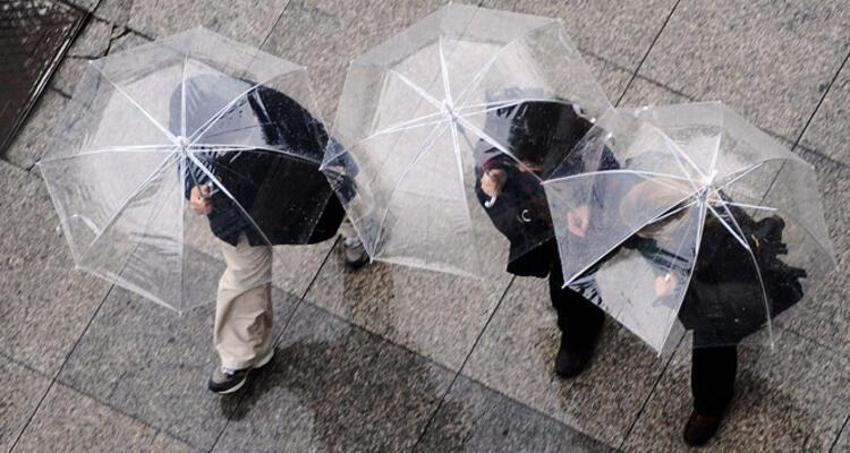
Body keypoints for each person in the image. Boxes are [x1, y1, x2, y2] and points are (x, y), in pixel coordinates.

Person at [177, 75, 346, 394]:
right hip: (233, 211)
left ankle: (359, 227)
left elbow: (312, 142)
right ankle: (241, 355)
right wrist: (193, 191)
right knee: (243, 275)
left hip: (285, 181)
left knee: (332, 203)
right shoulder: (187, 104)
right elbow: (184, 159)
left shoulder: (262, 104)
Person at [611, 180, 806, 446]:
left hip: (739, 297)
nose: (644, 239)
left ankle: (710, 406)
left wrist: (671, 294)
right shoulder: (685, 203)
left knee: (712, 345)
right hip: (710, 275)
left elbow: (705, 311)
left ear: (668, 229)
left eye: (649, 233)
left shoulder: (718, 247)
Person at [475, 97, 614, 378]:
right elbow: (501, 199)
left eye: (529, 165)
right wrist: (495, 181)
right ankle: (577, 328)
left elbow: (614, 185)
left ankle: (582, 329)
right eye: (517, 163)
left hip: (583, 231)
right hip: (546, 231)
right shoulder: (505, 143)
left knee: (571, 284)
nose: (522, 168)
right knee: (564, 286)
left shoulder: (587, 150)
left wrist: (584, 203)